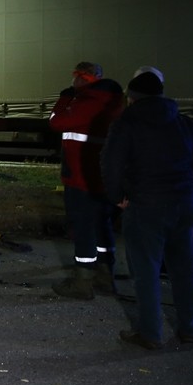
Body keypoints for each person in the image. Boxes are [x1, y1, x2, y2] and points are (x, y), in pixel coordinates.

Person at [101, 68, 193, 350]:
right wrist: (191, 186)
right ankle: (190, 329)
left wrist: (117, 196)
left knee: (146, 272)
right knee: (183, 271)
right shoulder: (183, 122)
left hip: (146, 206)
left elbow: (111, 165)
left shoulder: (126, 124)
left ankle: (150, 333)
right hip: (184, 205)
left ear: (132, 98)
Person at [47, 61, 126, 299]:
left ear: (83, 78)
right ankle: (104, 275)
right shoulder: (114, 102)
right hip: (105, 178)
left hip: (81, 177)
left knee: (82, 227)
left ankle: (83, 281)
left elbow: (55, 122)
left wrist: (64, 99)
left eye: (75, 77)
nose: (73, 81)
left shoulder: (86, 102)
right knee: (102, 226)